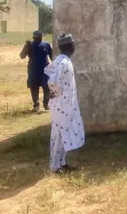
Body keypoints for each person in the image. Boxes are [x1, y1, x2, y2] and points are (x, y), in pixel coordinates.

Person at [44, 33, 85, 174]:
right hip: (62, 105)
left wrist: (57, 91)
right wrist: (56, 92)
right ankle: (54, 167)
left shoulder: (61, 59)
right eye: (73, 43)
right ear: (71, 46)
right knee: (58, 135)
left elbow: (48, 70)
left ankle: (61, 163)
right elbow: (52, 80)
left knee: (63, 135)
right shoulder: (64, 62)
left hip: (64, 105)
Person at [19, 30, 53, 112]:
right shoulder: (29, 45)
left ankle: (46, 104)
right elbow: (22, 56)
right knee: (34, 86)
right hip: (33, 69)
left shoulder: (46, 45)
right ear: (33, 37)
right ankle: (36, 105)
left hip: (45, 69)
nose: (36, 39)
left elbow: (52, 57)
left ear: (41, 37)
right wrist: (26, 47)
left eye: (38, 38)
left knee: (47, 87)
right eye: (35, 38)